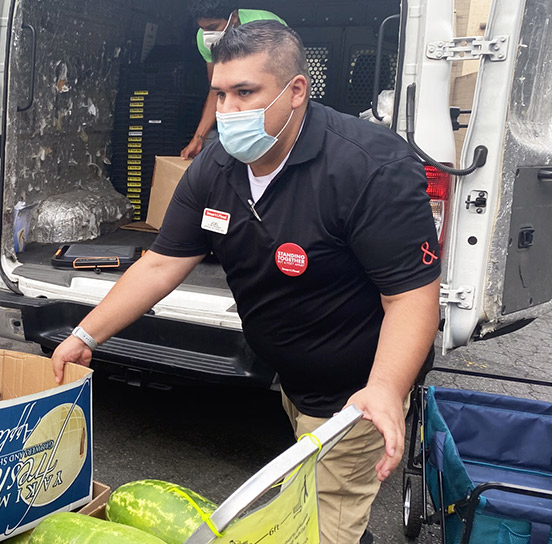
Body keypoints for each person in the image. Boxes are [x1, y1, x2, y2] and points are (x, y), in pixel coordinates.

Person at [53, 21, 440, 544]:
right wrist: (86, 335)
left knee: (321, 528)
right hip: (293, 377)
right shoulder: (218, 163)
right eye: (220, 94)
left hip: (356, 393)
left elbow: (411, 296)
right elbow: (161, 263)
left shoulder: (370, 168)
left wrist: (387, 389)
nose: (229, 112)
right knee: (314, 504)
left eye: (245, 93)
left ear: (296, 91)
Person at [181, 0, 285, 159]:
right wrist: (198, 139)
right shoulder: (204, 40)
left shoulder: (266, 26)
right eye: (202, 28)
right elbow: (216, 90)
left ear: (234, 17)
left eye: (213, 27)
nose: (206, 34)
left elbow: (279, 86)